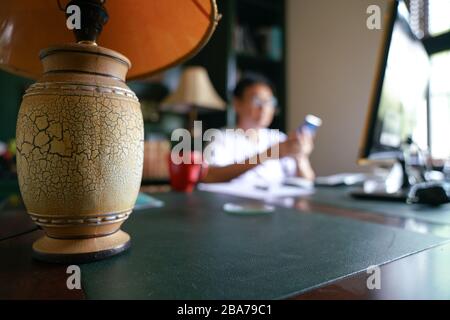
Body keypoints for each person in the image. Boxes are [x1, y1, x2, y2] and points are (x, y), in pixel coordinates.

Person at [201, 73, 315, 185]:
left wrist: (300, 156)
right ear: (237, 104)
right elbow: (208, 176)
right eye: (257, 101)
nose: (264, 108)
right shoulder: (221, 137)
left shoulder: (278, 138)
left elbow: (307, 180)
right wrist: (267, 155)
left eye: (269, 102)